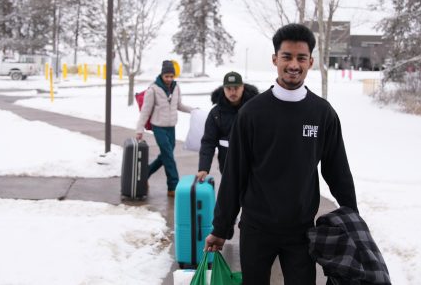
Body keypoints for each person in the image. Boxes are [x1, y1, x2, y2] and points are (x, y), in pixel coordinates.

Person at [204, 23, 358, 285]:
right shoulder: (252, 113)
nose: (294, 64)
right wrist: (221, 228)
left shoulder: (322, 114)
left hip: (301, 230)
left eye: (301, 57)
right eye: (287, 56)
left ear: (311, 61)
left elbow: (338, 171)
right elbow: (234, 174)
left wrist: (353, 219)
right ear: (275, 59)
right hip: (256, 229)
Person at [136, 60, 194, 197]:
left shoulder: (176, 87)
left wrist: (193, 110)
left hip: (171, 127)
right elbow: (145, 111)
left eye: (171, 76)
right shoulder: (153, 89)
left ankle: (145, 174)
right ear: (162, 75)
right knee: (168, 155)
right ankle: (173, 186)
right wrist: (139, 129)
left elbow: (179, 105)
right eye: (166, 76)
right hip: (159, 127)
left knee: (165, 155)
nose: (169, 79)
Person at [196, 71, 258, 182]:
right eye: (229, 89)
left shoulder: (255, 108)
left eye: (236, 88)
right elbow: (208, 141)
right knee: (230, 197)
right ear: (223, 89)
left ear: (242, 87)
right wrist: (203, 168)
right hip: (227, 166)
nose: (232, 92)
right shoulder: (215, 114)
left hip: (252, 165)